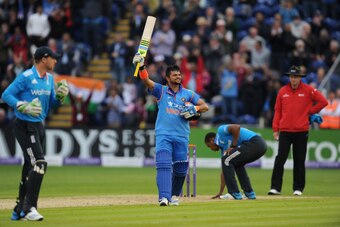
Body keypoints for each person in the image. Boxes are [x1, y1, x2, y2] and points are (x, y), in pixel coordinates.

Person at [1, 46, 69, 221]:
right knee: (39, 163)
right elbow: (6, 94)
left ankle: (18, 210)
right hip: (24, 125)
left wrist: (60, 97)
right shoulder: (26, 77)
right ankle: (30, 208)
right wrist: (22, 105)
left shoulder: (49, 79)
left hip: (39, 126)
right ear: (44, 59)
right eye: (53, 58)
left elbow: (51, 103)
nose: (56, 61)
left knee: (29, 166)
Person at [132, 52, 209, 206]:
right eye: (174, 75)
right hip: (164, 134)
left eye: (179, 75)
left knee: (181, 169)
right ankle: (164, 198)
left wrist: (195, 108)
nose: (178, 77)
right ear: (168, 78)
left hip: (182, 135)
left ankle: (173, 195)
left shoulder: (188, 94)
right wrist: (141, 66)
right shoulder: (161, 90)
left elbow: (205, 106)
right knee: (163, 164)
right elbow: (146, 80)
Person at [268, 65, 328, 196]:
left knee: (299, 160)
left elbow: (323, 102)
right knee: (280, 159)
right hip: (285, 130)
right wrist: (275, 129)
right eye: (291, 77)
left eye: (296, 77)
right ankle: (275, 188)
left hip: (301, 130)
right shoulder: (282, 91)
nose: (293, 80)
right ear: (289, 77)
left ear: (300, 78)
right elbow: (277, 111)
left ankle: (298, 189)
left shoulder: (308, 90)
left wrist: (310, 112)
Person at [205, 124, 267, 200]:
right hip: (259, 146)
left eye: (209, 146)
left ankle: (233, 193)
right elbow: (225, 171)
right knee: (236, 163)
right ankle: (249, 193)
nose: (211, 148)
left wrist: (233, 146)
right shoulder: (224, 149)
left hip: (255, 143)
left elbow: (236, 127)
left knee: (226, 160)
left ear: (212, 140)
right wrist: (220, 192)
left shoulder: (221, 130)